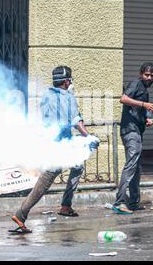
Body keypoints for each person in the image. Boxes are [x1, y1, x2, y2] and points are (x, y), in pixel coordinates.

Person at [10, 66, 97, 233]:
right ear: (66, 81)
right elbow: (76, 121)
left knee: (78, 166)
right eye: (69, 80)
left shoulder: (47, 95)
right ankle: (21, 214)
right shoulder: (68, 97)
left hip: (53, 142)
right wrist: (89, 136)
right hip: (60, 146)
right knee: (45, 181)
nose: (70, 83)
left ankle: (66, 205)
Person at [112, 62, 153, 214]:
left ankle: (133, 202)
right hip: (130, 131)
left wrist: (145, 119)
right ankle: (119, 202)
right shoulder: (136, 84)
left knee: (136, 167)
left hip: (136, 130)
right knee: (131, 165)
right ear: (140, 74)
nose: (149, 78)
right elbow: (124, 99)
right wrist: (144, 104)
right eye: (146, 74)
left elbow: (134, 110)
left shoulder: (143, 89)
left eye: (152, 75)